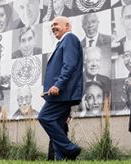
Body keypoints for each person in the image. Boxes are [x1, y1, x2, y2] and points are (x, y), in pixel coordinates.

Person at [38, 16, 83, 160]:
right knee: (57, 125)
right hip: (60, 93)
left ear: (67, 26)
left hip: (62, 93)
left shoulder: (69, 38)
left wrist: (58, 85)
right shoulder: (63, 42)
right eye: (52, 25)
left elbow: (69, 66)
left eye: (56, 24)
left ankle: (70, 148)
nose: (53, 27)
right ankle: (62, 158)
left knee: (44, 117)